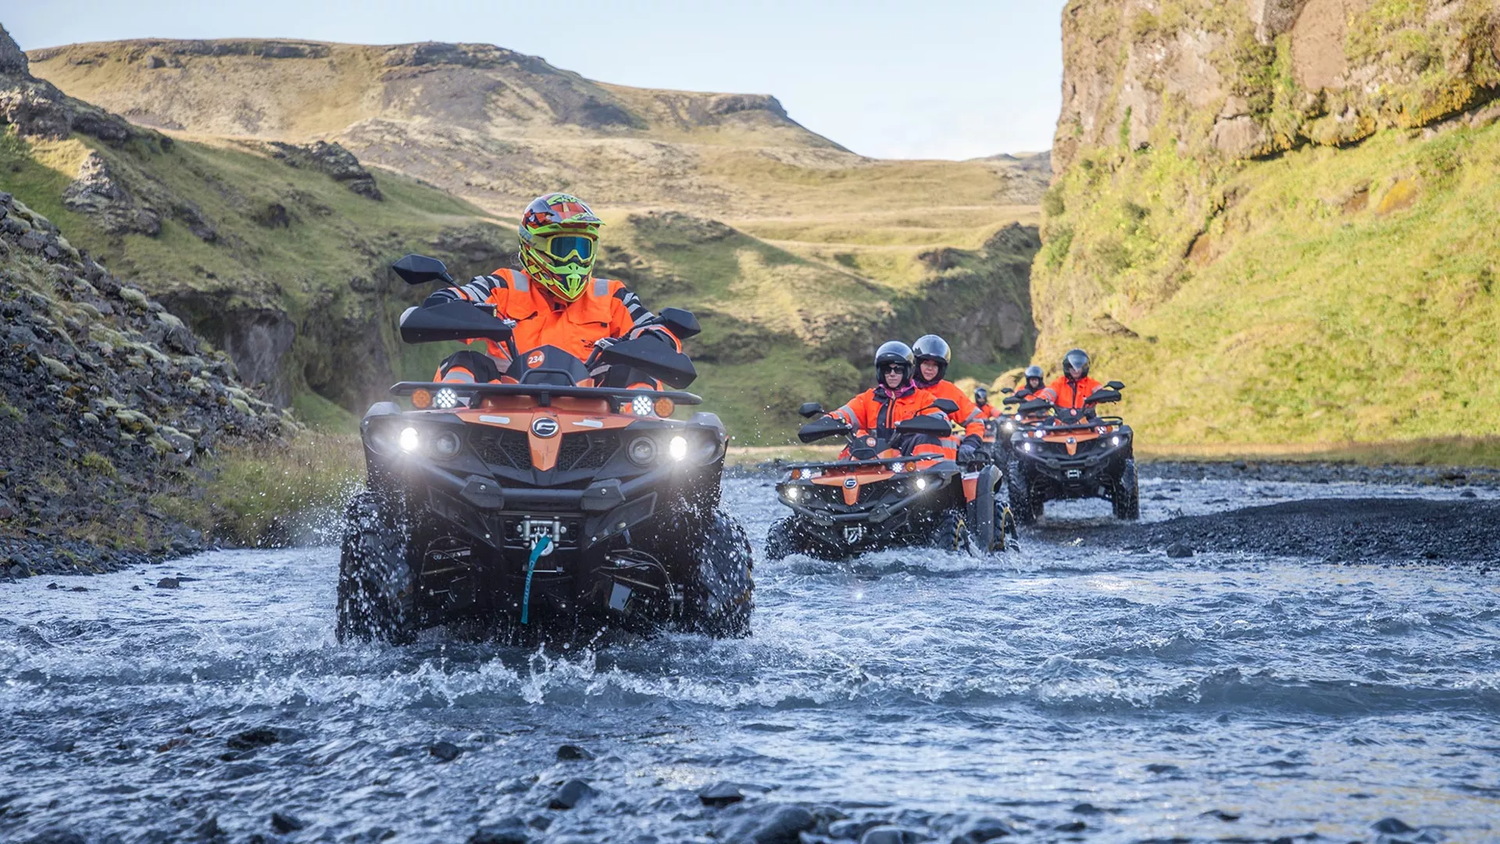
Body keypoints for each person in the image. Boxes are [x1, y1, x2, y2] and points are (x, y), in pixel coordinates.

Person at [422, 193, 679, 384]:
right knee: (462, 363)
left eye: (583, 248)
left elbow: (651, 325)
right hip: (502, 404)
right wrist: (449, 303)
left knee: (638, 376)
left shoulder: (610, 295)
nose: (575, 259)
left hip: (597, 412)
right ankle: (445, 438)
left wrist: (654, 338)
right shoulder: (503, 285)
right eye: (565, 248)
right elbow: (461, 296)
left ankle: (645, 448)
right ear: (534, 246)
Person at [825, 341, 947, 458]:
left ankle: (928, 475)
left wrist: (912, 425)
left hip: (909, 466)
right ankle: (844, 478)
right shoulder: (867, 398)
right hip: (873, 460)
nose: (892, 374)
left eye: (898, 369)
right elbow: (843, 414)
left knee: (926, 439)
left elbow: (941, 419)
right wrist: (824, 423)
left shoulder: (924, 399)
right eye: (887, 369)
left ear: (907, 371)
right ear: (880, 372)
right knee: (853, 445)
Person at [911, 334, 986, 463]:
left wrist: (970, 442)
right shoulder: (905, 389)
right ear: (917, 364)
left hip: (943, 465)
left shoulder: (949, 390)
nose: (930, 368)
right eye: (925, 363)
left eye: (935, 365)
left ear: (941, 368)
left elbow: (975, 419)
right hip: (905, 461)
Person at [1043, 349, 1103, 418]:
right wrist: (1044, 399)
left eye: (1079, 367)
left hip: (1088, 419)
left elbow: (1098, 390)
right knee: (1043, 425)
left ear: (1084, 368)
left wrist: (1104, 394)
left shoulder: (1091, 383)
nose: (1076, 370)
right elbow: (1049, 392)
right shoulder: (1059, 383)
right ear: (1067, 368)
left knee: (1104, 427)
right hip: (1061, 421)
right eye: (1072, 367)